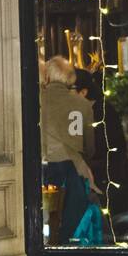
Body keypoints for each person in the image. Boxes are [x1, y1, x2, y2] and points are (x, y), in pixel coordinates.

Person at [40, 56, 96, 243]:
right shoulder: (83, 104)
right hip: (74, 169)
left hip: (44, 169)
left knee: (46, 219)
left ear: (47, 76)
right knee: (72, 224)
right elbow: (90, 146)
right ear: (70, 77)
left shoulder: (37, 101)